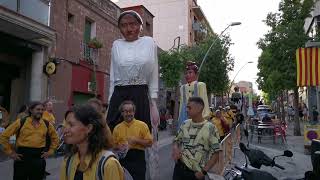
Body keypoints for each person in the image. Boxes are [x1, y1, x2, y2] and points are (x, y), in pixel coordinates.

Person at [107, 10, 158, 131]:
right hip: (119, 93)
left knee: (140, 131)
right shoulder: (116, 45)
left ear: (140, 26)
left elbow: (154, 72)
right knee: (114, 130)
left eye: (133, 24)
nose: (129, 29)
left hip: (140, 92)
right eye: (123, 25)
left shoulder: (149, 43)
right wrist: (110, 101)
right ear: (119, 29)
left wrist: (153, 101)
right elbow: (113, 74)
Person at [60, 104, 124, 180]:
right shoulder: (68, 161)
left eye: (71, 125)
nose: (65, 130)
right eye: (65, 124)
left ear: (89, 128)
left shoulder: (109, 164)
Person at [0, 101, 59, 180]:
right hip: (22, 158)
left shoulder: (47, 124)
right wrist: (10, 153)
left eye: (42, 110)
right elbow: (4, 136)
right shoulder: (21, 122)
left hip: (38, 159)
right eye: (38, 109)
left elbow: (55, 138)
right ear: (31, 110)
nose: (40, 111)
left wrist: (51, 151)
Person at [172, 97, 220, 180]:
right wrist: (176, 149)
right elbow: (176, 141)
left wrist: (203, 172)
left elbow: (216, 154)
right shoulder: (185, 124)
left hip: (196, 174)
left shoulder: (211, 128)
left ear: (199, 109)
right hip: (179, 169)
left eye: (189, 107)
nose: (187, 110)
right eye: (187, 107)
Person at [113, 100, 153, 180]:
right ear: (122, 113)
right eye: (126, 111)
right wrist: (119, 147)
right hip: (123, 160)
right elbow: (113, 146)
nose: (128, 114)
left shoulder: (142, 125)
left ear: (134, 112)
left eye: (130, 111)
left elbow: (150, 143)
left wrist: (136, 140)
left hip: (138, 159)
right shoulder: (117, 128)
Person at [178, 61, 210, 128]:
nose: (187, 75)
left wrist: (205, 117)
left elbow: (204, 102)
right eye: (186, 73)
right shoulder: (182, 87)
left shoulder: (201, 85)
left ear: (196, 74)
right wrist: (179, 118)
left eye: (190, 72)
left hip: (198, 119)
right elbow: (181, 104)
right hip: (184, 117)